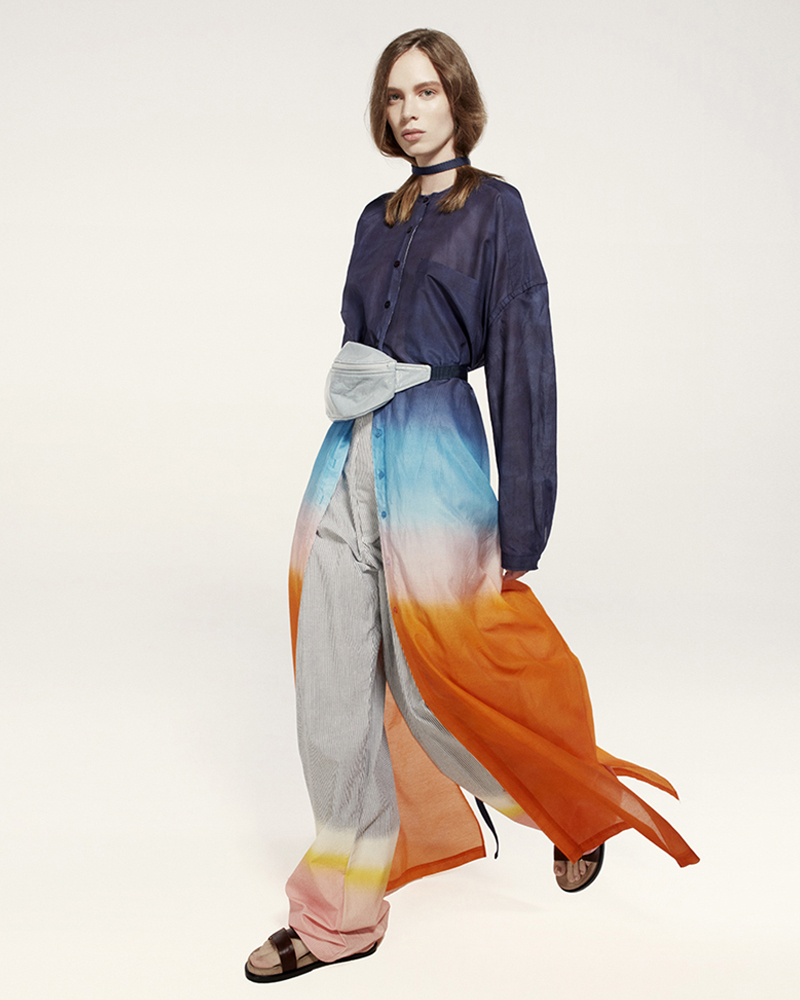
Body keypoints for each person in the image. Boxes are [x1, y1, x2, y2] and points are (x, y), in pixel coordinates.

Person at [245, 28, 699, 984]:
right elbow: (358, 337)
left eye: (425, 91)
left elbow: (525, 366)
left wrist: (524, 524)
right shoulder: (374, 218)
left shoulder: (496, 211)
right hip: (347, 458)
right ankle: (339, 917)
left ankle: (567, 810)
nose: (408, 110)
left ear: (457, 99)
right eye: (394, 96)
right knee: (330, 691)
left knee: (435, 687)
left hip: (438, 466)